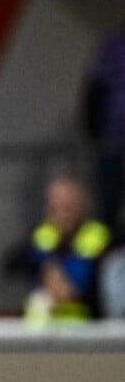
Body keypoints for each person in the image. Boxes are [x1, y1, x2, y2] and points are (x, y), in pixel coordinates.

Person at [23, 175, 111, 323]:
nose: (63, 215)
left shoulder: (99, 237)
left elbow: (81, 284)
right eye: (56, 208)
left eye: (68, 208)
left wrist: (64, 287)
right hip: (42, 331)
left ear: (81, 206)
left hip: (90, 328)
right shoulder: (40, 236)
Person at [83, 22, 125, 237]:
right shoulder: (111, 48)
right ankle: (103, 257)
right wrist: (92, 132)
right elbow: (94, 90)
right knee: (108, 205)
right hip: (112, 142)